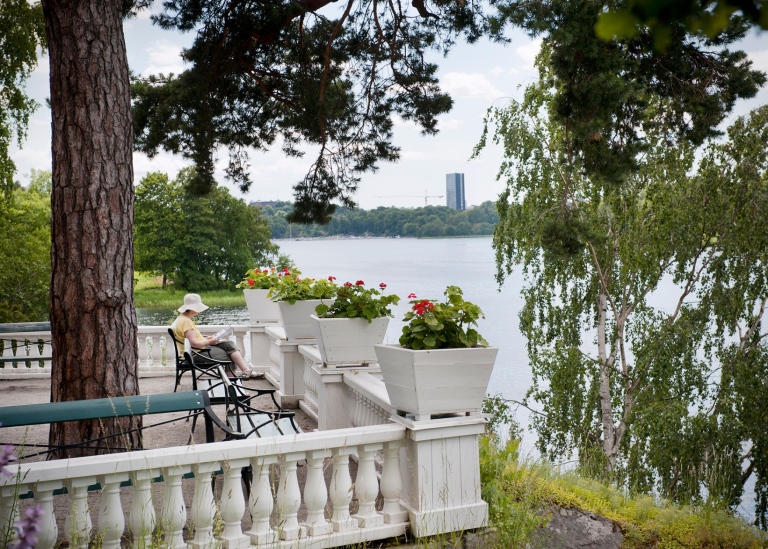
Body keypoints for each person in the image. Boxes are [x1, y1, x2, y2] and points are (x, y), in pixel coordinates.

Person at [170, 293, 264, 379]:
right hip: (196, 353)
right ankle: (231, 383)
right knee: (228, 356)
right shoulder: (186, 322)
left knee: (228, 344)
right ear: (193, 309)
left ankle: (245, 370)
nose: (199, 311)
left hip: (197, 350)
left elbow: (192, 339)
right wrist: (209, 342)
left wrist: (206, 339)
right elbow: (194, 344)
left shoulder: (181, 319)